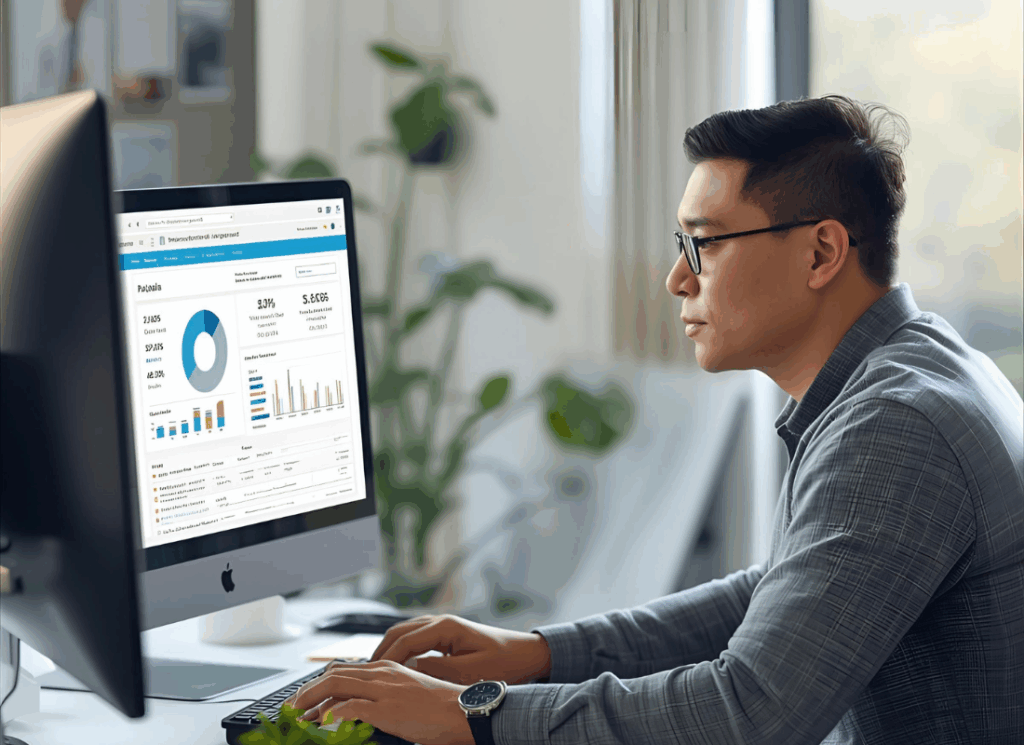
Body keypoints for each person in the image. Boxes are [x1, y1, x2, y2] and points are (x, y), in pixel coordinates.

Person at [284, 95, 1024, 745]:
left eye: (703, 242)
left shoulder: (895, 427)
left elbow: (751, 712)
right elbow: (782, 595)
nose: (677, 277)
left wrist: (476, 712)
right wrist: (538, 652)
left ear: (822, 251)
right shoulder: (916, 365)